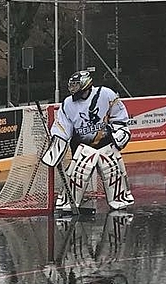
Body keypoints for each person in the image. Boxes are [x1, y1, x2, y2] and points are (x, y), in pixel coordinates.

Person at [41, 70, 134, 212]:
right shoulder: (68, 104)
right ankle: (68, 202)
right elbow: (62, 129)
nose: (73, 88)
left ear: (86, 84)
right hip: (82, 148)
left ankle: (119, 200)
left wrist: (120, 133)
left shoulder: (106, 94)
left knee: (113, 173)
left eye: (76, 85)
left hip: (106, 145)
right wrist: (57, 147)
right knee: (77, 174)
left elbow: (119, 117)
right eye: (71, 85)